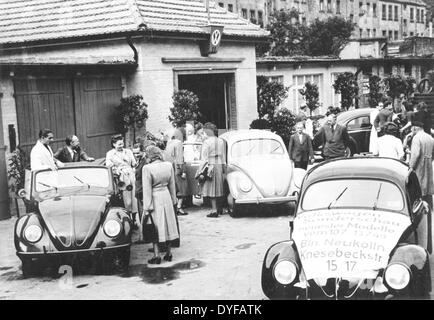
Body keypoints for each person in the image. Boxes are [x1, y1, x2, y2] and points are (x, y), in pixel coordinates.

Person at [142, 145, 179, 264]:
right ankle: (169, 253)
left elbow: (146, 189)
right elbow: (172, 184)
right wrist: (174, 200)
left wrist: (147, 207)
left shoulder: (147, 168)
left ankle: (157, 255)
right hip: (166, 195)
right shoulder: (168, 165)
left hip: (155, 197)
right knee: (168, 224)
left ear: (149, 156)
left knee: (155, 227)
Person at [409, 121, 434, 253]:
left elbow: (415, 154)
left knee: (418, 195)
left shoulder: (416, 138)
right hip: (429, 170)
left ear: (415, 127)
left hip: (419, 170)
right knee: (428, 195)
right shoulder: (430, 138)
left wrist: (410, 168)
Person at [106, 134, 139, 227]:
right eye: (119, 144)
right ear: (114, 144)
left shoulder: (128, 151)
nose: (121, 146)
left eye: (122, 143)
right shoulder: (110, 154)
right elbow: (109, 166)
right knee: (126, 200)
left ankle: (135, 218)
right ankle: (127, 218)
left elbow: (134, 163)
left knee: (134, 198)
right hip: (121, 178)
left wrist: (133, 167)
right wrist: (117, 170)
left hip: (131, 176)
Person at [200, 122, 227, 218]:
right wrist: (224, 167)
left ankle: (214, 210)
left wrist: (201, 170)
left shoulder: (206, 142)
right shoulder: (220, 141)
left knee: (212, 187)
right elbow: (223, 155)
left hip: (210, 164)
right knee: (219, 186)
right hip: (219, 164)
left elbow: (204, 157)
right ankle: (220, 208)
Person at [163, 128, 190, 216]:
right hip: (177, 168)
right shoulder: (178, 143)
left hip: (169, 168)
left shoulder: (168, 144)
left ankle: (175, 207)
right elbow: (179, 158)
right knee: (181, 188)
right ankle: (179, 207)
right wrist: (183, 171)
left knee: (173, 188)